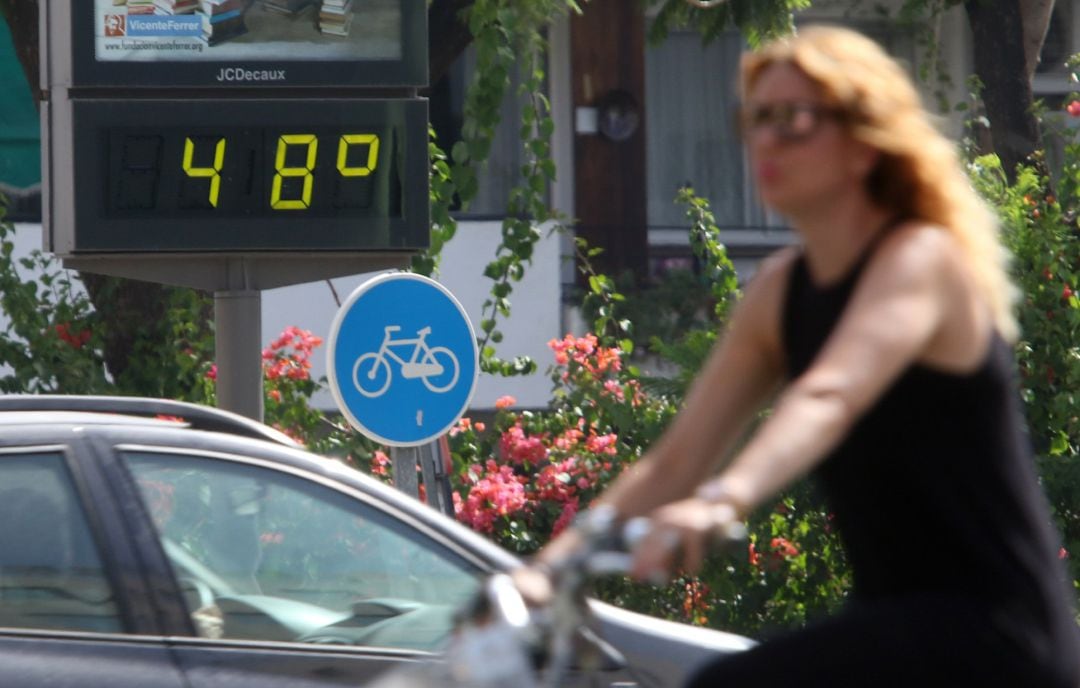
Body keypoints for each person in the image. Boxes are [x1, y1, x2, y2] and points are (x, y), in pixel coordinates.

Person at [523, 24, 1080, 687]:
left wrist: (724, 500)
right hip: (898, 625)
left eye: (792, 119)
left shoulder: (921, 260)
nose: (765, 139)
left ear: (864, 143)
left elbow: (830, 394)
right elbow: (674, 461)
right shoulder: (781, 292)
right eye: (755, 119)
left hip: (996, 635)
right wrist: (546, 570)